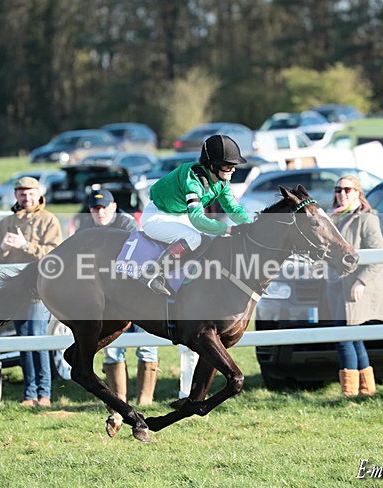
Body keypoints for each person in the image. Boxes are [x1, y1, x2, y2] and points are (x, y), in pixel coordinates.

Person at [140, 134, 253, 295]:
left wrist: (249, 225)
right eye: (228, 166)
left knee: (209, 239)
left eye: (233, 165)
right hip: (156, 216)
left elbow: (233, 209)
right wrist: (229, 230)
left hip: (177, 215)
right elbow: (197, 219)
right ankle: (151, 274)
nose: (233, 169)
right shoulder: (193, 181)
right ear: (213, 165)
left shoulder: (221, 182)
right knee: (194, 238)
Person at [76, 189, 160, 407]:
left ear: (113, 207)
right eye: (95, 208)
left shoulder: (128, 224)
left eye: (104, 207)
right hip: (106, 299)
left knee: (147, 344)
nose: (100, 212)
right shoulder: (85, 227)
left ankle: (145, 400)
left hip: (136, 295)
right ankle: (118, 401)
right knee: (112, 348)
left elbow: (133, 260)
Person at [0, 176, 62, 407]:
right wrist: (3, 248)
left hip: (40, 289)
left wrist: (25, 246)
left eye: (30, 193)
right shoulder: (7, 222)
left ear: (39, 194)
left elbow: (55, 254)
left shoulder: (49, 220)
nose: (26, 197)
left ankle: (45, 394)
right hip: (16, 291)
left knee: (37, 337)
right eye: (22, 193)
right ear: (16, 196)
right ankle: (29, 394)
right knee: (23, 340)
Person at [326, 175, 383, 398]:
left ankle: (350, 393)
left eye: (348, 189)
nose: (342, 194)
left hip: (358, 288)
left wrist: (361, 281)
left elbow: (378, 255)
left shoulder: (367, 219)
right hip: (339, 286)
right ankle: (366, 390)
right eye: (338, 190)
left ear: (358, 193)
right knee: (353, 338)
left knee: (345, 337)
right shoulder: (334, 218)